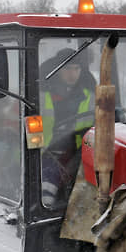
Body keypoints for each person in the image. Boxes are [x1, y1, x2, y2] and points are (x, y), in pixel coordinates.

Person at [39, 48, 96, 208]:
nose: (72, 74)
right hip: (46, 151)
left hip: (80, 152)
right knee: (48, 174)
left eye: (76, 69)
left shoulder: (90, 97)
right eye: (67, 69)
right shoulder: (41, 96)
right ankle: (46, 209)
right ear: (57, 71)